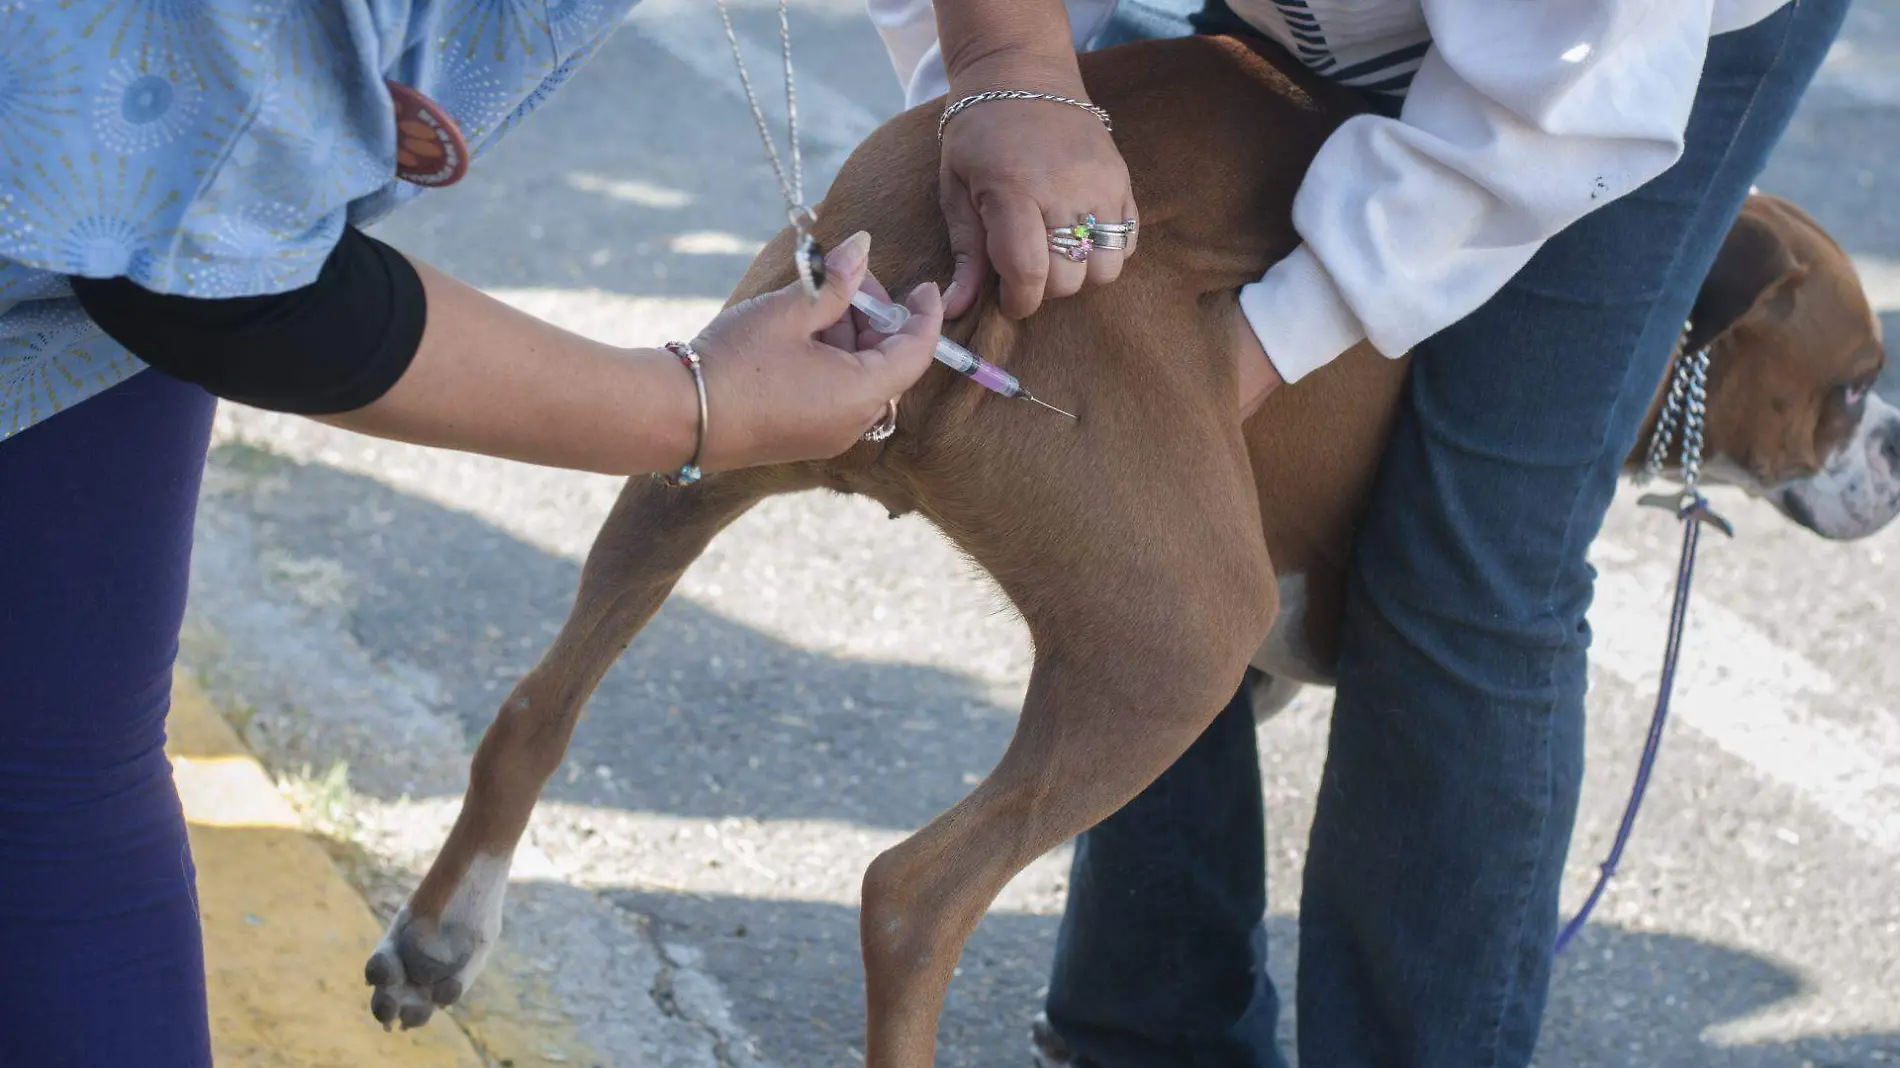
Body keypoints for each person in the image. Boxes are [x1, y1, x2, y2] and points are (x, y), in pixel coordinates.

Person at [866, 0, 1847, 1065]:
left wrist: (1246, 357)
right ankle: (1146, 1026)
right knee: (1174, 481)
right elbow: (1001, 70)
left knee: (1474, 551)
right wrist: (998, 103)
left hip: (1598, 54)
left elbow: (1543, 119)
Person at [0, 4, 950, 1065]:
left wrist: (1013, 63)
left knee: (54, 766)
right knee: (50, 792)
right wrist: (688, 406)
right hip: (129, 233)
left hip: (69, 295)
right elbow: (219, 287)